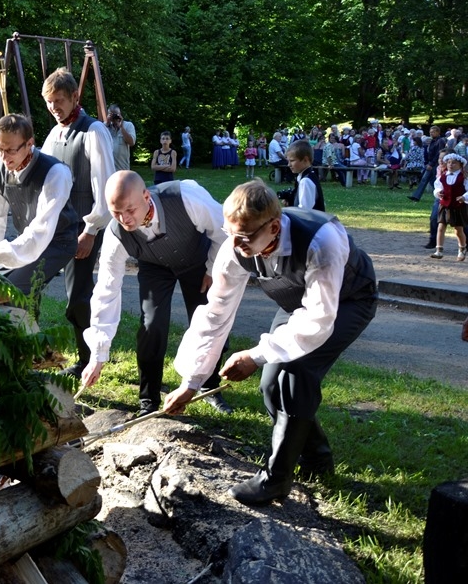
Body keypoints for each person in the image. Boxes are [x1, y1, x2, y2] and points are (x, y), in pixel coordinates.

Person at [165, 179, 377, 506]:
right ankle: (317, 458)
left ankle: (276, 480)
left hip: (348, 300)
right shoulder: (236, 245)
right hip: (297, 305)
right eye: (230, 233)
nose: (235, 245)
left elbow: (318, 320)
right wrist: (192, 382)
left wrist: (255, 354)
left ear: (274, 227)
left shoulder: (322, 241)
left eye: (244, 237)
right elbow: (215, 313)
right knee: (269, 386)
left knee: (296, 373)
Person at [80, 171, 233, 415]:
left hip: (200, 259)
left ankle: (209, 385)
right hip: (155, 267)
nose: (125, 219)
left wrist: (213, 267)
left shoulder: (187, 197)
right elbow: (107, 290)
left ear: (146, 196)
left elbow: (224, 231)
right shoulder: (115, 234)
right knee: (152, 325)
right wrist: (98, 355)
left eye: (129, 210)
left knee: (209, 319)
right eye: (116, 212)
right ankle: (148, 400)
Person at [39, 67, 115, 377]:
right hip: (55, 231)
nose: (54, 108)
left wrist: (90, 231)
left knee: (78, 299)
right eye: (49, 102)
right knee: (29, 286)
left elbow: (105, 185)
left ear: (74, 97)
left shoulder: (93, 130)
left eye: (59, 101)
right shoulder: (54, 133)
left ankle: (89, 360)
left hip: (82, 231)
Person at [0, 114, 77, 296]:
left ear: (29, 144)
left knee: (7, 291)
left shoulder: (56, 173)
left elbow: (40, 233)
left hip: (57, 242)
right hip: (27, 239)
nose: (4, 157)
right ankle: (29, 321)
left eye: (11, 150)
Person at [429, 153, 468, 261]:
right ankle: (439, 250)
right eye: (449, 162)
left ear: (460, 165)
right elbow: (437, 187)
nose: (451, 165)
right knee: (441, 227)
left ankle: (462, 248)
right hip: (444, 205)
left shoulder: (463, 177)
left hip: (458, 206)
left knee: (458, 230)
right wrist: (438, 193)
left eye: (454, 163)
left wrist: (464, 197)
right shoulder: (443, 176)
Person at [281, 140, 324, 211]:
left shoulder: (306, 181)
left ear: (305, 160)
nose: (289, 165)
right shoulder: (307, 176)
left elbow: (304, 212)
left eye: (292, 161)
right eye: (288, 161)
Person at [409, 125, 443, 202]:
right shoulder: (433, 141)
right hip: (430, 163)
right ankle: (416, 196)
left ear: (438, 132)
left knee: (435, 181)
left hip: (435, 164)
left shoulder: (440, 141)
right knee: (425, 179)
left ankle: (440, 195)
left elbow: (438, 154)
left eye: (433, 132)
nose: (431, 133)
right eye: (430, 132)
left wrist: (431, 164)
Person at [105, 105, 135, 172]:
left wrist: (121, 127)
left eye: (116, 114)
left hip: (122, 169)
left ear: (120, 114)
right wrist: (107, 123)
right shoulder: (104, 127)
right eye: (112, 115)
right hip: (108, 170)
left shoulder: (128, 125)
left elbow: (132, 142)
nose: (114, 117)